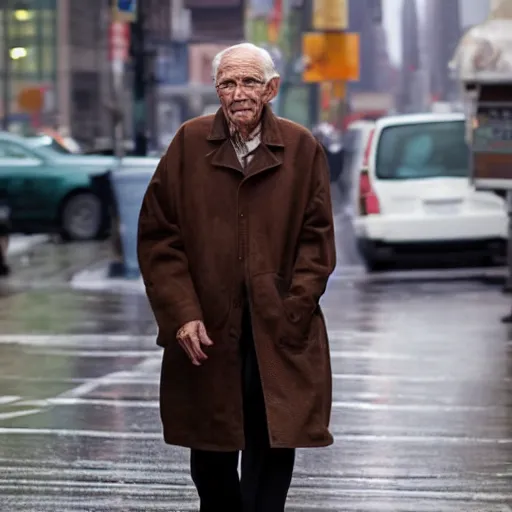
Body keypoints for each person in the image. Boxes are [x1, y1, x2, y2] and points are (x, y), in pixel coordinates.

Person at [137, 42, 336, 512]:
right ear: (216, 90)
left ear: (271, 89)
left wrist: (296, 306)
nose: (238, 93)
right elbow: (159, 238)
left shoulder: (301, 147)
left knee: (273, 441)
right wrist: (182, 315)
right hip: (208, 328)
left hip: (278, 327)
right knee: (211, 450)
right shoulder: (189, 143)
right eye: (228, 82)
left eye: (249, 82)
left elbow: (318, 240)